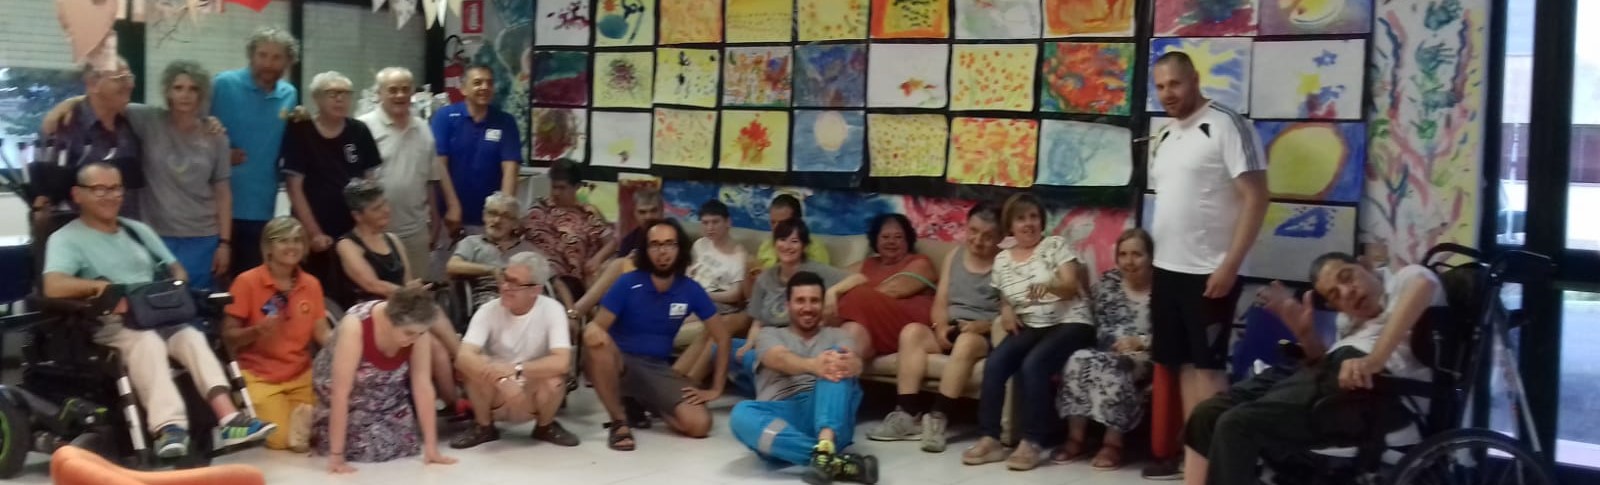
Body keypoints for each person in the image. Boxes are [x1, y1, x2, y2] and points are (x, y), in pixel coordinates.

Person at [42, 162, 275, 458]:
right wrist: (99, 287)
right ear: (78, 195)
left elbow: (177, 270)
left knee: (193, 338)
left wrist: (168, 288)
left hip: (157, 313)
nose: (110, 196)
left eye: (116, 188)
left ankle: (230, 418)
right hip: (111, 321)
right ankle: (169, 428)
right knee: (148, 344)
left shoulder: (137, 230)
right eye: (99, 189)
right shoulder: (66, 238)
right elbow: (53, 286)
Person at [1183, 253, 1446, 485]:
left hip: (1384, 391)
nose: (1347, 292)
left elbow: (1423, 286)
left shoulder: (1406, 278)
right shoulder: (1348, 321)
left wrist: (1374, 360)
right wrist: (1305, 334)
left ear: (1366, 266)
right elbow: (1321, 366)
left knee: (1237, 424)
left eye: (1347, 277)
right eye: (1335, 295)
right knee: (1208, 414)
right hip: (1333, 375)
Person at [1145, 51, 1270, 481]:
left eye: (1175, 84)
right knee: (1182, 367)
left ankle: (1222, 471)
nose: (1167, 94)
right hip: (1167, 269)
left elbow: (1257, 197)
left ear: (1195, 80)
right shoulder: (1165, 134)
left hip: (1209, 273)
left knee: (1210, 373)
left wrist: (1230, 265)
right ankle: (1195, 468)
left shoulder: (1227, 124)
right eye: (1160, 86)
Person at [39, 61, 232, 291]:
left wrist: (224, 242)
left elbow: (223, 191)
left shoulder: (214, 134)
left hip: (199, 234)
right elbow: (101, 99)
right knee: (155, 297)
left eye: (193, 89)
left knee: (193, 299)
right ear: (167, 91)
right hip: (151, 231)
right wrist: (66, 104)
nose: (185, 95)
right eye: (178, 88)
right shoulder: (148, 119)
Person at [962, 193, 1097, 471]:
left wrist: (1049, 286)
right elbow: (1003, 297)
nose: (1028, 223)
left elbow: (1070, 286)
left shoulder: (1055, 245)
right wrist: (1006, 310)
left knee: (1034, 364)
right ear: (1010, 226)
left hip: (1071, 321)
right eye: (1021, 218)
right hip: (1033, 324)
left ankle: (1032, 441)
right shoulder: (1002, 260)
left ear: (1042, 222)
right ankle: (990, 439)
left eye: (1034, 217)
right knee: (996, 363)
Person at [581, 219, 732, 451]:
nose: (663, 251)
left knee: (699, 425)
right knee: (596, 340)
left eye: (670, 244)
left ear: (680, 249)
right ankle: (619, 422)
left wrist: (716, 389)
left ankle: (645, 401)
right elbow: (596, 329)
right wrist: (591, 330)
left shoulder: (690, 289)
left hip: (656, 367)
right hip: (619, 361)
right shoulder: (627, 283)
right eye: (655, 245)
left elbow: (722, 337)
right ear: (646, 250)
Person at [868, 203, 1002, 453]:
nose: (978, 240)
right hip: (950, 327)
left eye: (987, 236)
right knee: (911, 332)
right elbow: (940, 301)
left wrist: (979, 326)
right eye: (973, 231)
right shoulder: (955, 256)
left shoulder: (1005, 264)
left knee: (966, 342)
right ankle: (907, 413)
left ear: (999, 237)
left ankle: (938, 417)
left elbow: (1007, 315)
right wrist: (939, 328)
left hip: (981, 334)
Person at [729, 271, 879, 485]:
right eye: (800, 300)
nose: (807, 308)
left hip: (828, 412)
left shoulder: (838, 336)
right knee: (741, 414)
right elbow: (778, 358)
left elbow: (851, 359)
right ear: (788, 305)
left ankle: (825, 446)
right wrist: (813, 366)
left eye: (814, 301)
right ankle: (830, 460)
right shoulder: (769, 334)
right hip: (781, 418)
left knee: (837, 359)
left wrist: (855, 363)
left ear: (822, 304)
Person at [335, 181, 466, 413]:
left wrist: (413, 288)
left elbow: (406, 280)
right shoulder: (347, 245)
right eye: (377, 208)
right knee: (435, 346)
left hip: (401, 307)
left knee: (432, 311)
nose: (386, 210)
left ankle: (463, 365)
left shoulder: (393, 239)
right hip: (371, 315)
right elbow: (371, 284)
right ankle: (456, 401)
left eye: (385, 204)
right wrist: (406, 291)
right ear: (358, 215)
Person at [313, 287, 457, 473]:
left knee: (404, 444)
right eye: (408, 333)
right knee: (371, 447)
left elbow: (422, 385)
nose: (414, 339)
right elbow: (340, 392)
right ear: (389, 321)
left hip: (386, 392)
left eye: (419, 334)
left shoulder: (417, 332)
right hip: (348, 395)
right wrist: (336, 455)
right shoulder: (356, 326)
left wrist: (431, 448)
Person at [448, 252, 580, 449]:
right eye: (505, 278)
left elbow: (562, 362)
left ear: (535, 290)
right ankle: (483, 426)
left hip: (531, 388)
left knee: (555, 380)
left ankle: (545, 426)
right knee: (474, 366)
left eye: (515, 283)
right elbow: (463, 356)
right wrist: (501, 380)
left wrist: (516, 369)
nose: (505, 287)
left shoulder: (553, 310)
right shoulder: (488, 310)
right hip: (496, 389)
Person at [221, 217, 331, 452]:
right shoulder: (246, 282)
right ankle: (296, 422)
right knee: (279, 440)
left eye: (297, 240)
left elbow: (322, 333)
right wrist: (256, 331)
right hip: (260, 376)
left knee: (320, 430)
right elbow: (228, 336)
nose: (292, 247)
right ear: (268, 248)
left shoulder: (311, 284)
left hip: (301, 373)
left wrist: (349, 345)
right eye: (283, 241)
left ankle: (306, 422)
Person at [1053, 228, 1157, 470]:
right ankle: (1075, 439)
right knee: (1078, 358)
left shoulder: (1163, 290)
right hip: (1103, 349)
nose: (1129, 261)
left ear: (1150, 257)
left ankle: (1113, 444)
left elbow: (1173, 335)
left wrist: (1139, 341)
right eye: (1123, 254)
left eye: (1137, 254)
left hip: (1143, 355)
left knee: (1116, 365)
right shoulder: (1109, 283)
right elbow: (1087, 311)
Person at [213, 27, 300, 276]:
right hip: (217, 209)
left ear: (288, 61)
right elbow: (193, 130)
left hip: (264, 209)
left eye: (276, 57)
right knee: (217, 284)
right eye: (262, 55)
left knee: (253, 283)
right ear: (251, 55)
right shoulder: (223, 84)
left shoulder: (289, 95)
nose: (268, 64)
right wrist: (221, 155)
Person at [357, 67, 458, 282]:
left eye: (405, 89)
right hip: (376, 231)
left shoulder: (423, 128)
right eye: (393, 90)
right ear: (379, 93)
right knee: (380, 293)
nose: (400, 95)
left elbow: (430, 179)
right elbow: (356, 184)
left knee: (415, 292)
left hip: (415, 232)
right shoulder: (363, 127)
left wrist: (435, 221)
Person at [283, 71, 382, 287]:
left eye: (345, 93)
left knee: (356, 287)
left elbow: (370, 184)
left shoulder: (359, 130)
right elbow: (294, 187)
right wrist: (314, 233)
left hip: (353, 229)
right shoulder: (301, 130)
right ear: (316, 98)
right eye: (332, 93)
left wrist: (369, 226)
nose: (340, 99)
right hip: (314, 229)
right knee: (314, 290)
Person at [734, 220, 857, 391]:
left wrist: (833, 291)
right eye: (782, 240)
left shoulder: (817, 271)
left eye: (794, 241)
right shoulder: (765, 278)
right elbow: (757, 322)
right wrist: (748, 344)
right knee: (720, 349)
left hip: (800, 342)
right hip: (769, 341)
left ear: (804, 246)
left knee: (756, 361)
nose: (787, 246)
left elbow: (859, 278)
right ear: (775, 244)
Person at [32, 56, 144, 221]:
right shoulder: (64, 127)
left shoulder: (133, 122)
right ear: (93, 84)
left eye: (129, 77)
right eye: (120, 78)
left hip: (126, 230)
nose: (130, 84)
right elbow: (46, 197)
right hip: (78, 231)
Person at [831, 213, 939, 361]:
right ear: (876, 240)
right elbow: (833, 279)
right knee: (852, 330)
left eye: (898, 237)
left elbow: (892, 290)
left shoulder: (920, 262)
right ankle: (836, 372)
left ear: (908, 240)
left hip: (906, 328)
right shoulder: (867, 264)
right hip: (872, 329)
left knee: (856, 296)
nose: (891, 242)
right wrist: (832, 292)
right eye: (885, 237)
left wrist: (840, 294)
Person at [671, 200, 752, 384]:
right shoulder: (700, 245)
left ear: (728, 222)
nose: (710, 228)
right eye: (705, 223)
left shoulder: (739, 255)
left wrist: (702, 295)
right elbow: (690, 271)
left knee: (677, 318)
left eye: (715, 222)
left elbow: (736, 294)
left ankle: (681, 381)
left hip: (717, 301)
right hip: (691, 294)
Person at [448, 192, 572, 312]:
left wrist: (571, 312)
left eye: (505, 216)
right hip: (490, 302)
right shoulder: (472, 243)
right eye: (492, 213)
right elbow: (452, 266)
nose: (497, 220)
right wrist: (491, 270)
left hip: (526, 305)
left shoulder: (528, 249)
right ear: (484, 216)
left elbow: (556, 282)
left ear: (515, 224)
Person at [431, 64, 520, 231]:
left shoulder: (505, 121)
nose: (485, 87)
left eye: (489, 83)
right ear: (463, 89)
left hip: (489, 221)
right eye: (478, 83)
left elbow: (510, 168)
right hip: (450, 217)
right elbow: (439, 163)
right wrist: (453, 205)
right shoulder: (445, 117)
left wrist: (502, 213)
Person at [568, 187, 667, 316]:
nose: (648, 216)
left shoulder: (673, 233)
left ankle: (577, 312)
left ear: (662, 210)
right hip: (634, 289)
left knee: (618, 265)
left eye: (653, 211)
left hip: (663, 286)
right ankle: (590, 313)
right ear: (635, 214)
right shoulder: (630, 239)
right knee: (599, 269)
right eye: (642, 212)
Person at [523, 159, 613, 294]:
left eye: (562, 188)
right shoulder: (539, 206)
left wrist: (597, 259)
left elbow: (612, 242)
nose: (556, 193)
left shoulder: (587, 214)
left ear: (577, 187)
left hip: (568, 280)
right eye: (554, 187)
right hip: (531, 273)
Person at [754, 194, 830, 268]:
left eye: (782, 223)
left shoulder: (815, 249)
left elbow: (822, 275)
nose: (776, 228)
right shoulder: (766, 245)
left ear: (798, 221)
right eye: (773, 222)